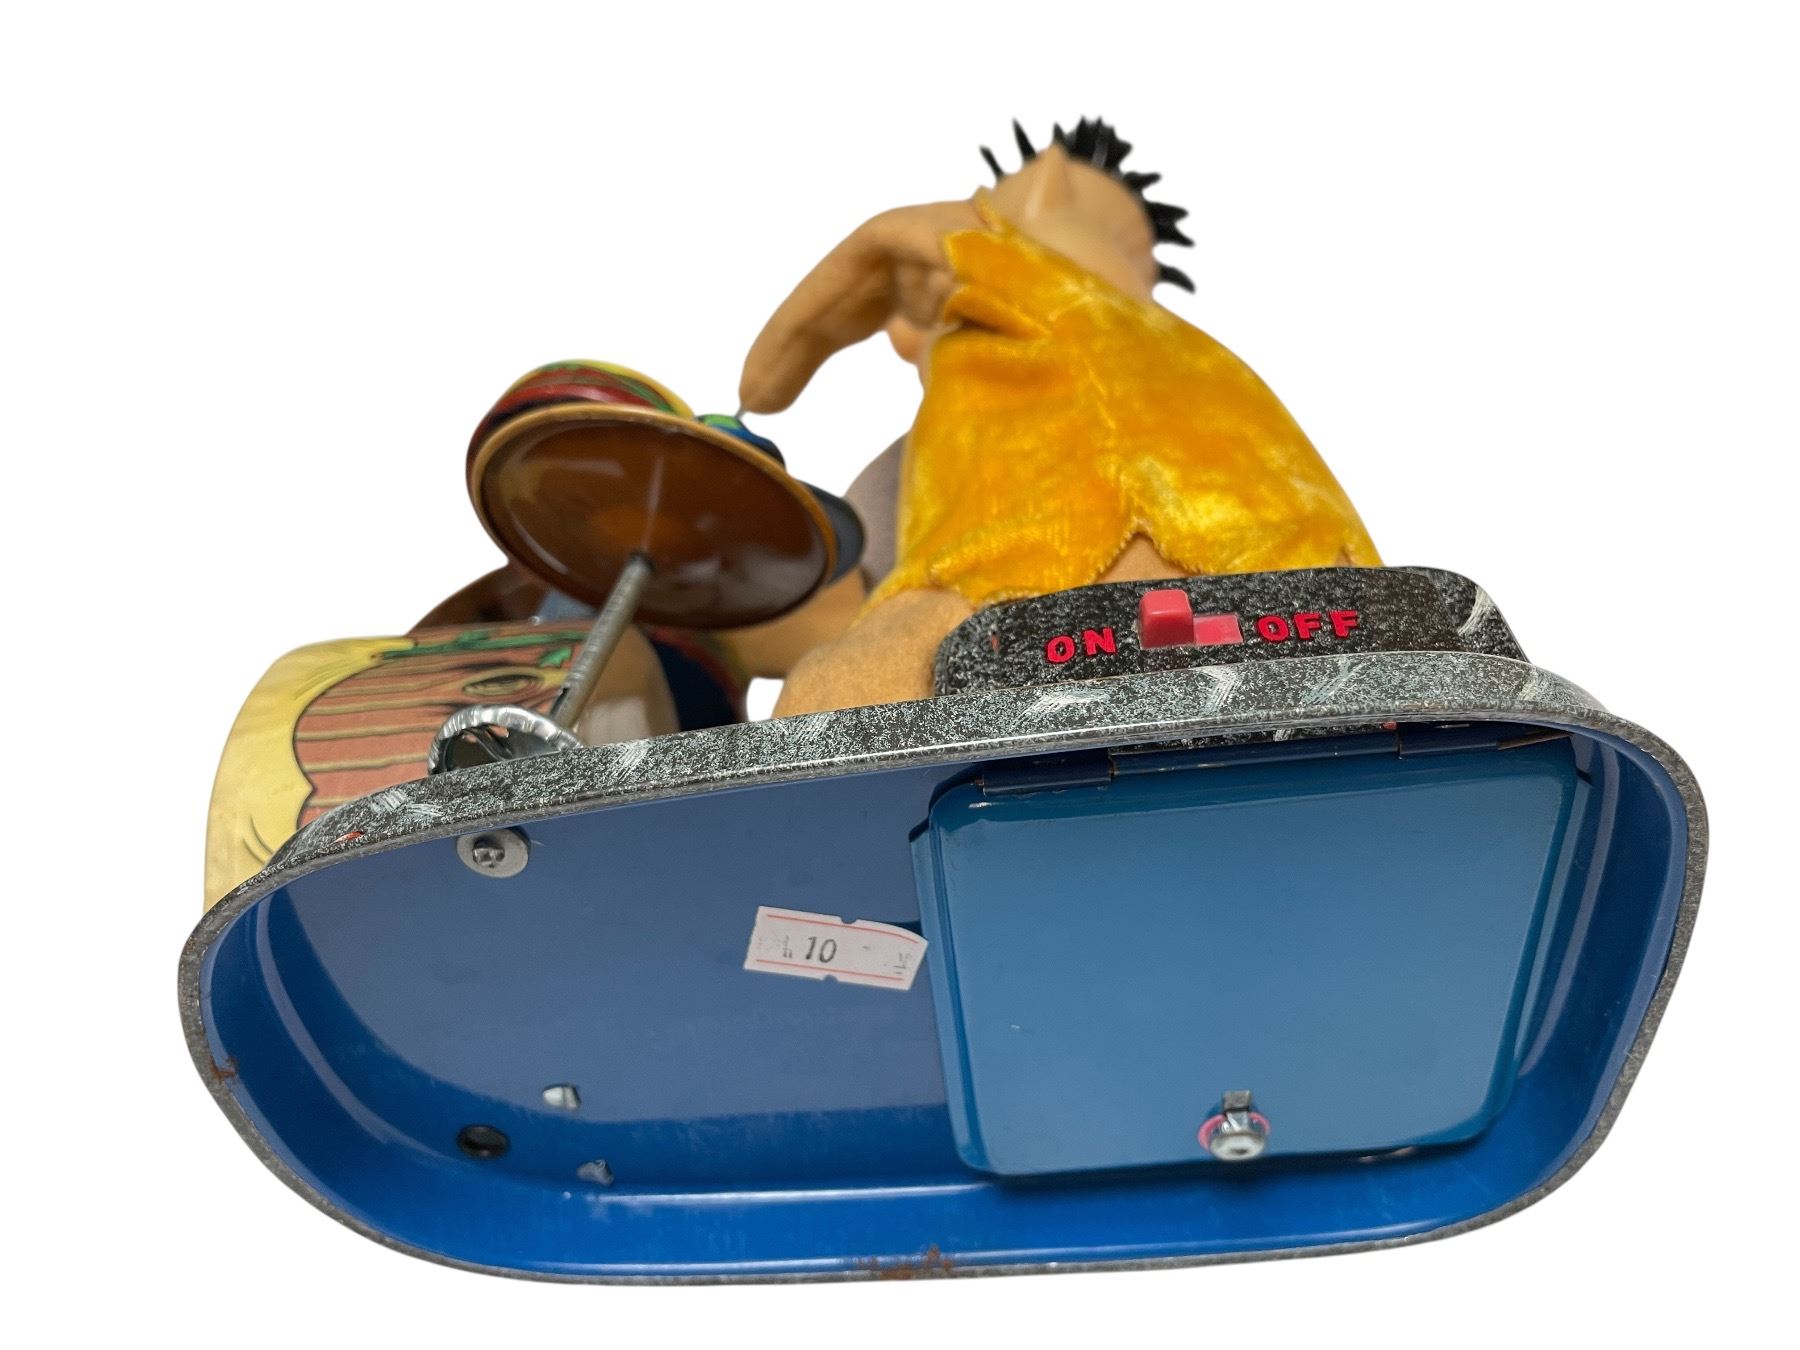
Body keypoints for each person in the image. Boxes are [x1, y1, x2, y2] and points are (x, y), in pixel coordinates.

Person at [741, 118, 1382, 715]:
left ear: (1043, 185)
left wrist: (758, 396)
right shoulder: (1216, 369)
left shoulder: (998, 257)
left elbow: (840, 290)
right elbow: (866, 556)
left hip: (1012, 588)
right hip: (1312, 587)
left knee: (838, 692)